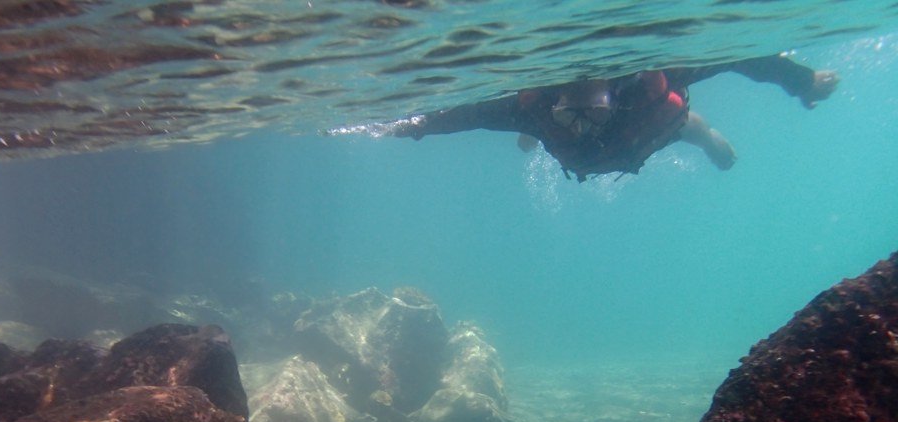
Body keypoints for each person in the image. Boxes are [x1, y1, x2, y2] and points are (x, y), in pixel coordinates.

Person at [350, 55, 838, 182]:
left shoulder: (645, 90)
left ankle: (707, 138)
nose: (582, 125)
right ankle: (527, 135)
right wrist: (406, 126)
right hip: (563, 140)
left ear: (615, 98)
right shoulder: (543, 111)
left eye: (592, 114)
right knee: (523, 122)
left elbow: (738, 56)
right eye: (571, 114)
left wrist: (801, 81)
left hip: (658, 132)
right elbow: (461, 116)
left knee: (686, 126)